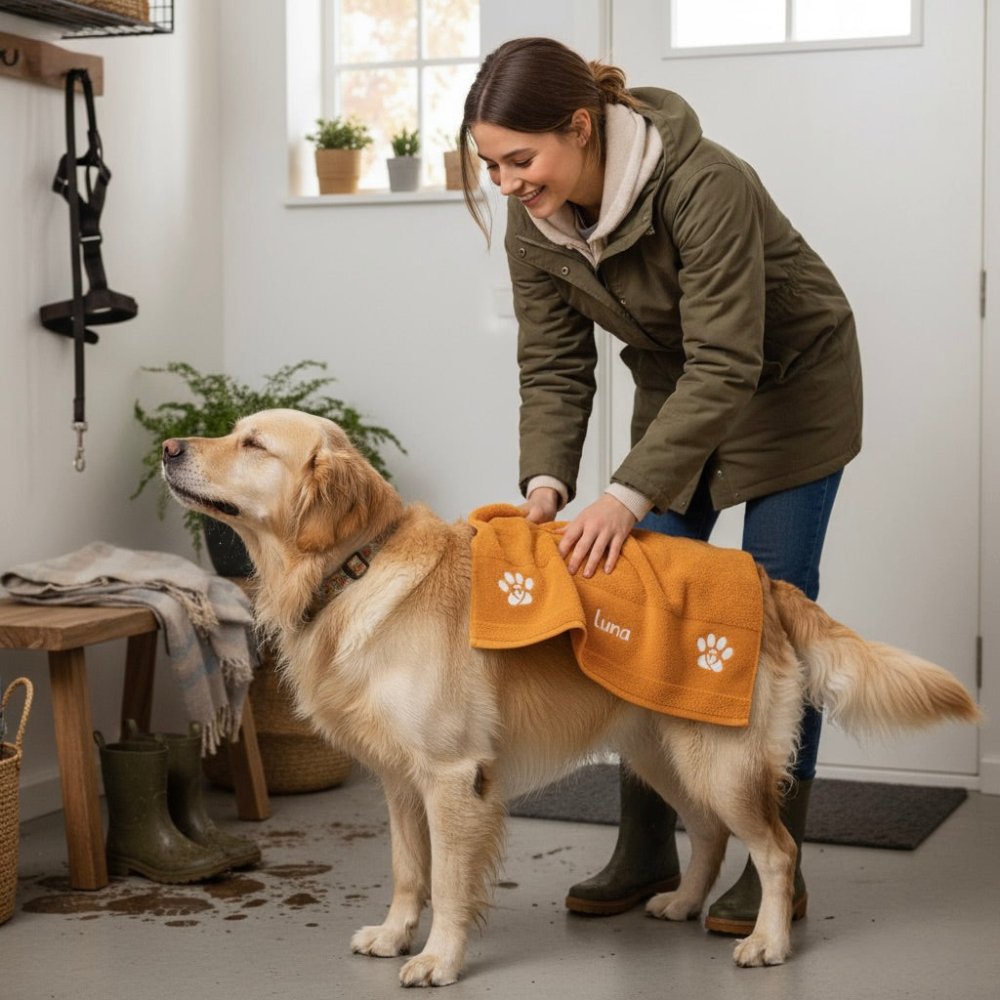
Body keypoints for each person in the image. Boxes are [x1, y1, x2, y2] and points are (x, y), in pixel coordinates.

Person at [459, 36, 863, 934]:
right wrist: (546, 484)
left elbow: (730, 358)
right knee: (645, 615)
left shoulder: (704, 181)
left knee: (775, 619)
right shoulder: (539, 218)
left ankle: (774, 867)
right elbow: (555, 367)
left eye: (520, 158)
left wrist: (626, 494)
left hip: (791, 387)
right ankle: (648, 846)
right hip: (683, 393)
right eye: (489, 163)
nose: (506, 181)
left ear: (579, 126)